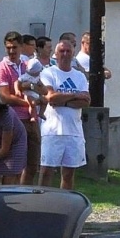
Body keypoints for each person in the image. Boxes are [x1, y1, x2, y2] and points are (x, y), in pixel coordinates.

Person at [38, 37, 89, 189]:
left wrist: (63, 100)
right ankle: (42, 201)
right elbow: (51, 97)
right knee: (46, 170)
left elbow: (86, 101)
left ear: (73, 54)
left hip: (74, 131)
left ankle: (64, 202)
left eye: (68, 51)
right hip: (53, 130)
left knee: (68, 173)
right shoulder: (48, 73)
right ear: (56, 54)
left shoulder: (79, 76)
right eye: (62, 51)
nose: (65, 54)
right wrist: (75, 95)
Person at [0, 31, 40, 183]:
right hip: (13, 120)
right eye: (8, 48)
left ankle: (25, 196)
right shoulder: (2, 68)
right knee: (14, 166)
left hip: (32, 120)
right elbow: (5, 97)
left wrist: (33, 89)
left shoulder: (29, 65)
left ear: (21, 47)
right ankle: (12, 196)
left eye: (14, 47)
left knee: (32, 164)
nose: (12, 51)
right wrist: (30, 102)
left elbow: (42, 87)